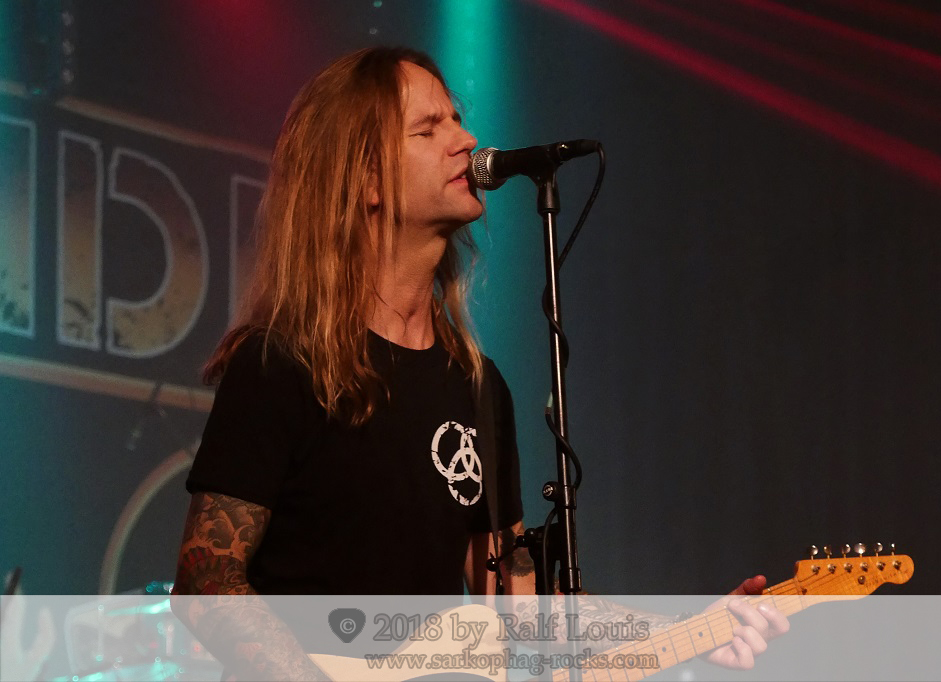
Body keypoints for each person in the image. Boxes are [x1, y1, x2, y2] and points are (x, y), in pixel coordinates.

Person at [171, 46, 787, 681]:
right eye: (427, 129)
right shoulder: (281, 364)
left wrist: (689, 629)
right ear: (366, 181)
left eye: (456, 120)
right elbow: (206, 579)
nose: (465, 141)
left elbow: (520, 605)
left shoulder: (477, 389)